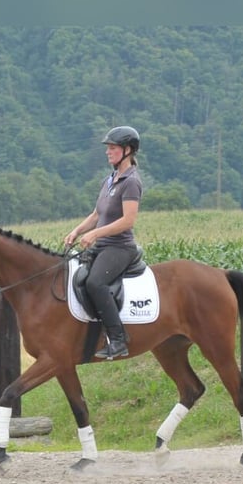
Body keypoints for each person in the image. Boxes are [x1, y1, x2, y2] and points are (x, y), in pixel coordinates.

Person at [64, 125, 143, 360]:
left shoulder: (131, 182)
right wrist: (77, 231)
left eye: (113, 148)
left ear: (127, 150)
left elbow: (128, 220)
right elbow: (97, 214)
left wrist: (96, 235)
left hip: (120, 247)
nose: (108, 152)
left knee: (96, 283)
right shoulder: (109, 180)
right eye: (107, 148)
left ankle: (118, 339)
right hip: (102, 245)